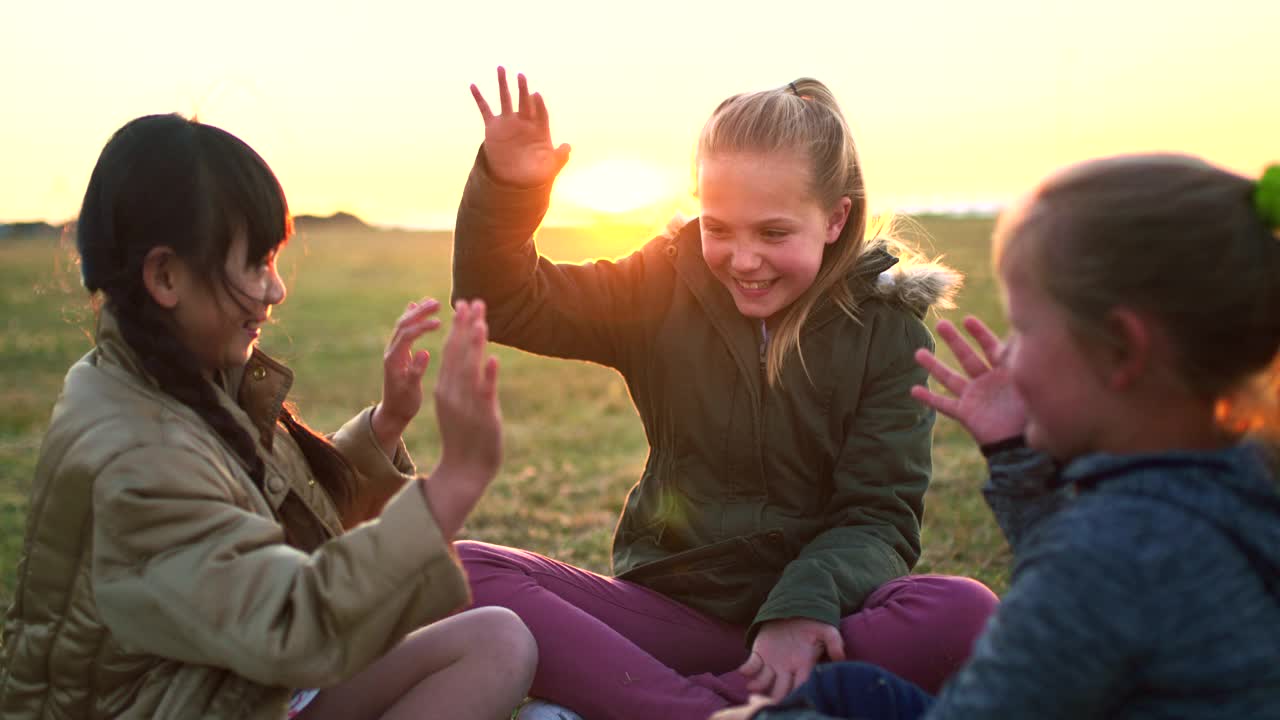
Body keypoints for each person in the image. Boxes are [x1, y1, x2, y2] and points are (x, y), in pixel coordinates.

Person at [450, 68, 999, 720]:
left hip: (823, 622)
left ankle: (651, 704)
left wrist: (799, 608)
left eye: (772, 233)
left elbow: (878, 515)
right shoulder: (659, 284)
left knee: (962, 612)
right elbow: (505, 304)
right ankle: (722, 710)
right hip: (670, 613)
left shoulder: (888, 331)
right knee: (457, 571)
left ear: (834, 218)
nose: (743, 258)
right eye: (719, 228)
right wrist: (511, 189)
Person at [0, 114, 537, 720]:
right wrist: (453, 482)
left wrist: (385, 423)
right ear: (166, 275)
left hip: (233, 687)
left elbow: (271, 533)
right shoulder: (138, 453)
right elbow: (294, 626)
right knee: (492, 644)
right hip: (211, 697)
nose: (276, 290)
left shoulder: (178, 380)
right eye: (256, 264)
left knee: (496, 640)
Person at [715, 156, 1280, 720]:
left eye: (1024, 329)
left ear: (1122, 350)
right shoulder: (1238, 482)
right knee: (848, 690)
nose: (1007, 354)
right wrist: (1014, 456)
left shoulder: (1105, 558)